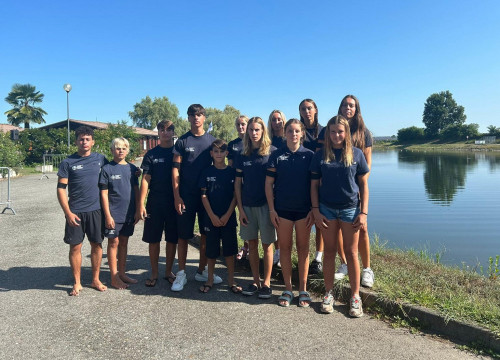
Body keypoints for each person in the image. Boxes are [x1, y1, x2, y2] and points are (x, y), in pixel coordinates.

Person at [310, 115, 369, 317]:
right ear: (328, 134)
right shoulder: (320, 156)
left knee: (352, 253)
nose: (336, 135)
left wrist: (363, 213)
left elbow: (363, 185)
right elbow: (314, 186)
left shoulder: (357, 154)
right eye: (333, 132)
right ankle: (328, 293)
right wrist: (315, 210)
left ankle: (355, 296)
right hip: (326, 210)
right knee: (329, 252)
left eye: (340, 132)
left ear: (346, 134)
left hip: (350, 210)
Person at [172, 104, 221, 291]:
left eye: (199, 114)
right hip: (186, 196)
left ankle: (202, 271)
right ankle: (182, 273)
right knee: (183, 236)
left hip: (206, 197)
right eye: (192, 115)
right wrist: (177, 196)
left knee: (206, 235)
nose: (196, 118)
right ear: (188, 118)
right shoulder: (182, 142)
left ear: (204, 117)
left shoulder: (212, 141)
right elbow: (175, 171)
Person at [266, 119, 314, 307]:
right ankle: (287, 288)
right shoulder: (276, 155)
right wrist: (271, 209)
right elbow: (268, 184)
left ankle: (303, 289)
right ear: (285, 133)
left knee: (303, 249)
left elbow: (315, 185)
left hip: (304, 211)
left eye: (296, 131)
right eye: (290, 131)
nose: (293, 134)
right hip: (282, 210)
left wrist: (314, 208)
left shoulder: (310, 156)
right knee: (284, 248)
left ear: (302, 134)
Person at [57, 126, 108, 296]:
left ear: (92, 142)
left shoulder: (101, 159)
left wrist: (134, 171)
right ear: (76, 141)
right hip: (75, 212)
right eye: (81, 139)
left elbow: (116, 168)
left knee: (97, 245)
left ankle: (95, 279)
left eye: (87, 139)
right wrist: (68, 212)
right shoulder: (67, 162)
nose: (84, 142)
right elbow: (61, 189)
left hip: (96, 210)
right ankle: (77, 282)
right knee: (75, 247)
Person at [235, 117, 276, 298]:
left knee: (267, 245)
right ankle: (255, 280)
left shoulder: (272, 152)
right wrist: (240, 209)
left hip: (266, 206)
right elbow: (237, 184)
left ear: (263, 131)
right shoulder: (242, 154)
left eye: (257, 130)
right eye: (251, 130)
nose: (253, 133)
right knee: (252, 245)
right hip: (248, 206)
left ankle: (266, 283)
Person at [136, 120, 178, 288]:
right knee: (154, 239)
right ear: (158, 132)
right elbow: (145, 180)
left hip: (174, 201)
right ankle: (154, 272)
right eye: (162, 129)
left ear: (173, 132)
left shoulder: (178, 152)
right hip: (155, 202)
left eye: (169, 130)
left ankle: (168, 271)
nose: (165, 132)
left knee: (172, 239)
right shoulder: (151, 154)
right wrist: (141, 203)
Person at [198, 139, 241, 293]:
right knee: (211, 251)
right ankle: (209, 279)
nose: (218, 154)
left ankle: (231, 280)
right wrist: (212, 216)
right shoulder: (206, 172)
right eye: (215, 151)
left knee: (230, 251)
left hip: (228, 218)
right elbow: (203, 196)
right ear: (211, 153)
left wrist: (228, 215)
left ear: (226, 153)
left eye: (221, 151)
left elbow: (236, 196)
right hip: (211, 218)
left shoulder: (232, 172)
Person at [99, 137, 140, 289]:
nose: (120, 151)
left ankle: (122, 273)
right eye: (117, 148)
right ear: (112, 150)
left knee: (124, 242)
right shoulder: (107, 169)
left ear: (127, 150)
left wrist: (137, 209)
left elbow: (136, 190)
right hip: (113, 214)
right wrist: (108, 215)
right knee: (113, 242)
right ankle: (114, 277)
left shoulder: (132, 169)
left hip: (129, 213)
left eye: (123, 148)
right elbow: (103, 194)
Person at [298, 99, 324, 275]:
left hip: (321, 180)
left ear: (315, 110)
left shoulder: (323, 131)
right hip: (301, 180)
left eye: (309, 108)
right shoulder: (297, 129)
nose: (307, 111)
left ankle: (318, 258)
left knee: (320, 223)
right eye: (303, 109)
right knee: (305, 220)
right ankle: (303, 256)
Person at [227, 115, 249, 260]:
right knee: (237, 215)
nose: (241, 127)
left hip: (250, 184)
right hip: (235, 183)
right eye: (238, 125)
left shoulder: (253, 142)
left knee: (248, 217)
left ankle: (248, 246)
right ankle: (242, 245)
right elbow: (230, 165)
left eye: (243, 124)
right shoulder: (232, 144)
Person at [267, 109, 286, 266]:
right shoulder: (268, 140)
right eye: (274, 120)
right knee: (274, 221)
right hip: (270, 182)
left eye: (279, 119)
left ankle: (283, 252)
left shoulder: (289, 138)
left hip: (285, 183)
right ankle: (277, 251)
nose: (277, 122)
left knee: (284, 221)